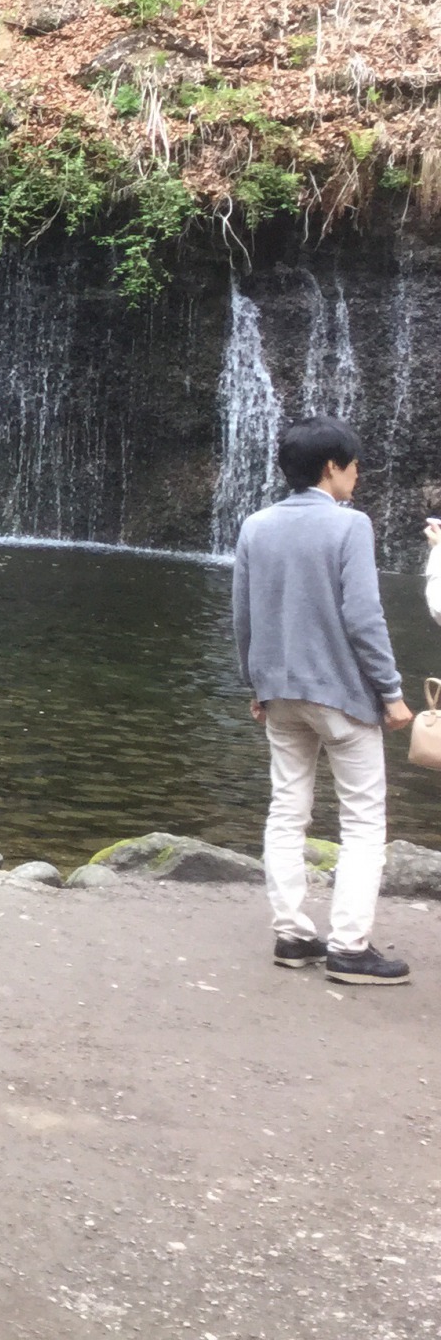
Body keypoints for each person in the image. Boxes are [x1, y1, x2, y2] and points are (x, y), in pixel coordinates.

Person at [232, 415, 414, 986]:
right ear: (331, 467)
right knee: (362, 823)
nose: (358, 476)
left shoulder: (255, 525)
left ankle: (292, 933)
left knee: (287, 811)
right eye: (355, 465)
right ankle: (349, 947)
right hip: (341, 696)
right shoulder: (349, 526)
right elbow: (363, 618)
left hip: (279, 693)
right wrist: (391, 693)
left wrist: (255, 686)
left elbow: (242, 617)